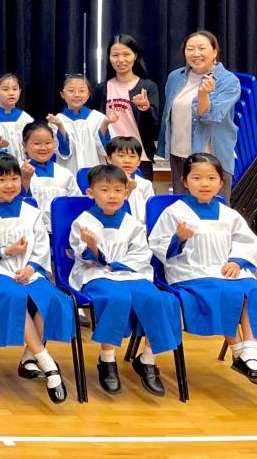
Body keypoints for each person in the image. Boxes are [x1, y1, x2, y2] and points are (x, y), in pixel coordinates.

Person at [149, 153, 257, 387]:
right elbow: (158, 245)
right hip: (190, 272)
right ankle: (240, 354)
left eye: (211, 178)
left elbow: (247, 242)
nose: (204, 183)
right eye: (197, 178)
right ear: (184, 181)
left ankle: (250, 355)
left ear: (221, 182)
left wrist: (237, 261)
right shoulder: (174, 212)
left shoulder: (229, 214)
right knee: (227, 293)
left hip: (224, 269)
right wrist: (178, 238)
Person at [0, 153, 74, 404]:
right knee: (13, 295)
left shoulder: (31, 211)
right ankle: (47, 363)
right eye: (2, 179)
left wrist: (32, 267)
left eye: (14, 178)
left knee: (51, 298)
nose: (10, 184)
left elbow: (41, 245)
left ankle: (28, 357)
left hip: (27, 270)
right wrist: (5, 251)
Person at [68, 165, 181, 396]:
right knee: (115, 297)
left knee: (156, 299)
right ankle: (107, 360)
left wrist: (118, 265)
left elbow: (141, 254)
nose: (112, 195)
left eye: (118, 190)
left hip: (130, 272)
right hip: (97, 274)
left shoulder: (133, 223)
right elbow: (82, 255)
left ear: (126, 194)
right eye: (105, 190)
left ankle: (148, 360)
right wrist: (92, 247)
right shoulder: (83, 222)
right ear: (91, 193)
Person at [158, 30, 241, 201]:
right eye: (190, 49)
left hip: (211, 156)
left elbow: (210, 116)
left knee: (214, 209)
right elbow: (168, 115)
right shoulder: (175, 77)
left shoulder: (228, 81)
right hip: (178, 153)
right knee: (182, 207)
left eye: (202, 48)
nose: (195, 54)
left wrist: (203, 94)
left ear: (214, 52)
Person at [92, 34, 160, 178]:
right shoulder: (101, 88)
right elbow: (94, 124)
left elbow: (154, 126)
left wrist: (144, 108)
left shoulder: (147, 86)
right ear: (109, 57)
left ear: (135, 56)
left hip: (139, 158)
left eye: (126, 54)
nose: (121, 60)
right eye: (115, 55)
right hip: (109, 158)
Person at [20, 120, 82, 234]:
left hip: (62, 233)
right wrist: (25, 180)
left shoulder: (64, 174)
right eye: (37, 143)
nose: (43, 148)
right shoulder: (16, 171)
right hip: (29, 233)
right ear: (24, 145)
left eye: (48, 143)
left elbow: (76, 203)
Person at [49, 75, 116, 174]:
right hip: (69, 172)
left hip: (96, 172)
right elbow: (64, 152)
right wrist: (60, 126)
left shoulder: (99, 118)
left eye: (82, 91)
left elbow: (107, 149)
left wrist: (106, 124)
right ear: (62, 94)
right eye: (71, 91)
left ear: (88, 94)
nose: (77, 95)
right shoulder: (57, 120)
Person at [106, 137, 155, 224]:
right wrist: (128, 189)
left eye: (132, 156)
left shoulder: (145, 184)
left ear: (139, 161)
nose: (127, 161)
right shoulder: (103, 183)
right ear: (109, 159)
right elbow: (107, 212)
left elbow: (150, 214)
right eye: (121, 156)